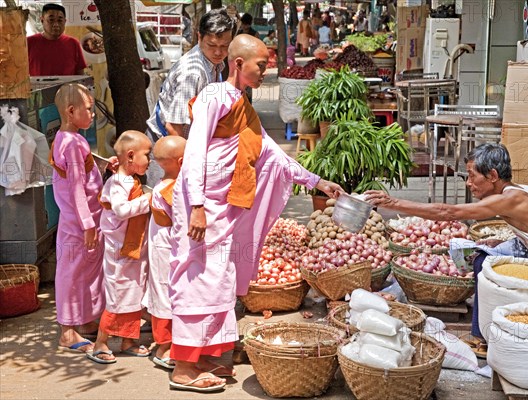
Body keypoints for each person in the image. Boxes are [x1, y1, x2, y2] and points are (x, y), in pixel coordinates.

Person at [167, 34, 343, 392]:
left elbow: (271, 153)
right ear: (238, 64)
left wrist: (317, 182)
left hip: (225, 206)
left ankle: (210, 356)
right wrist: (198, 206)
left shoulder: (240, 101)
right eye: (262, 65)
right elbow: (196, 150)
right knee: (197, 280)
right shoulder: (215, 96)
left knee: (219, 282)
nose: (267, 71)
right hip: (201, 208)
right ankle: (183, 367)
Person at [365, 143, 528, 340]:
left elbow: (448, 211)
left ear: (493, 175)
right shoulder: (519, 191)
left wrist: (393, 202)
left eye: (472, 176)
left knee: (481, 263)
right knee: (485, 253)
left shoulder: (511, 199)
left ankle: (479, 335)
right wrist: (498, 240)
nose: (469, 183)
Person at [146, 9, 236, 186]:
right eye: (212, 45)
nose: (218, 52)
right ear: (199, 37)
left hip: (185, 147)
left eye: (224, 46)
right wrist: (189, 168)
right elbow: (174, 126)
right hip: (168, 150)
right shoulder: (193, 72)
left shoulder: (214, 63)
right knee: (167, 206)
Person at [87, 130, 153, 364]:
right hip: (119, 254)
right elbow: (122, 211)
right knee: (117, 299)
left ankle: (128, 341)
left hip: (132, 252)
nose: (150, 159)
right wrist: (147, 200)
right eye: (147, 154)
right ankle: (100, 343)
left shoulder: (130, 180)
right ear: (131, 156)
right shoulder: (117, 182)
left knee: (133, 296)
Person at [50, 83, 105, 354]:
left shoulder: (68, 138)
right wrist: (88, 224)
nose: (93, 114)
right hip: (79, 223)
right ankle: (67, 331)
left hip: (83, 219)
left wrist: (104, 165)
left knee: (86, 270)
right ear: (71, 112)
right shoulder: (72, 143)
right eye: (88, 109)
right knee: (72, 274)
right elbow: (75, 187)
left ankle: (83, 321)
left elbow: (84, 165)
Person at [146, 135, 186, 370]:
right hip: (165, 250)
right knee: (164, 297)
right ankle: (163, 346)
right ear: (182, 161)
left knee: (168, 294)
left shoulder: (163, 184)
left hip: (164, 247)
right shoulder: (171, 189)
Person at [27, 3, 87, 76]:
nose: (56, 24)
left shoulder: (73, 43)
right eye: (51, 20)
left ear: (65, 21)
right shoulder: (29, 42)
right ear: (42, 20)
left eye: (60, 20)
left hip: (68, 87)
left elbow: (80, 75)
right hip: (37, 87)